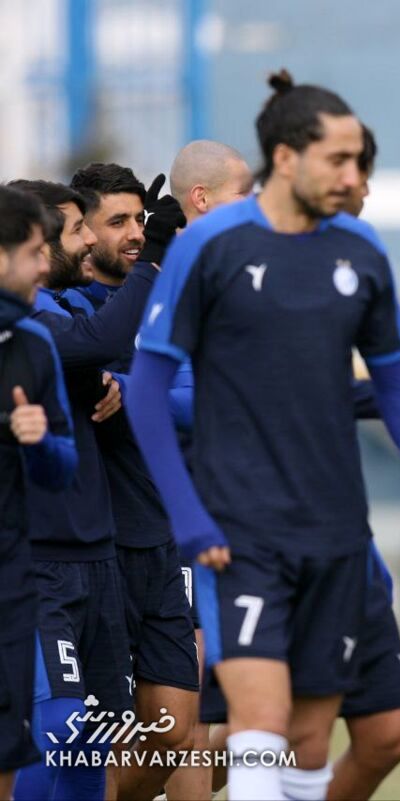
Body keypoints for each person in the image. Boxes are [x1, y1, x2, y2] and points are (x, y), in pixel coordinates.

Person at [127, 70, 400, 801]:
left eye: (358, 162)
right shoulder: (209, 245)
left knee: (308, 746)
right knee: (259, 729)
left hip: (338, 534)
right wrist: (190, 518)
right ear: (286, 158)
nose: (354, 177)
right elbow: (149, 392)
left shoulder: (360, 250)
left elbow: (389, 383)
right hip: (241, 532)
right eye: (339, 160)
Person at [10, 176, 153, 801]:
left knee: (95, 743)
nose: (90, 240)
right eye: (76, 231)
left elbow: (65, 455)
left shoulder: (59, 324)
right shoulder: (38, 329)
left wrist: (47, 437)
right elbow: (104, 343)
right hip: (36, 564)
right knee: (60, 728)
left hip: (97, 555)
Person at [68, 163, 199, 798]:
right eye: (117, 221)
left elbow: (200, 399)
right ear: (82, 233)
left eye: (140, 220)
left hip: (161, 540)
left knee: (176, 733)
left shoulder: (161, 304)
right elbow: (87, 366)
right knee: (94, 744)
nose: (135, 234)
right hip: (97, 550)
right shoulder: (71, 312)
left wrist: (132, 390)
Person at [0, 185, 78, 801]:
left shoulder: (35, 342)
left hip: (10, 579)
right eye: (32, 253)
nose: (45, 266)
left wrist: (38, 442)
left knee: (9, 748)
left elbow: (62, 468)